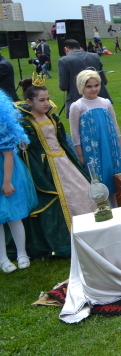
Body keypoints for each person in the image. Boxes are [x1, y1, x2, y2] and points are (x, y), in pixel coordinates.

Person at [16, 76, 97, 258]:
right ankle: (66, 240)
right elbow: (29, 150)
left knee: (83, 190)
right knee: (60, 198)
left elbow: (62, 141)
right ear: (29, 102)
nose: (46, 103)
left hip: (63, 160)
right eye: (41, 100)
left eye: (47, 99)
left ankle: (92, 231)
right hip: (45, 166)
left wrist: (75, 159)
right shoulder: (26, 123)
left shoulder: (52, 117)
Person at [69, 70, 121, 207]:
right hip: (92, 149)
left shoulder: (105, 103)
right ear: (81, 86)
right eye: (89, 86)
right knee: (97, 178)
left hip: (109, 146)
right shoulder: (78, 106)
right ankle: (101, 208)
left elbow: (115, 126)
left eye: (97, 85)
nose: (94, 89)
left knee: (113, 176)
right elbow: (74, 133)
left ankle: (116, 206)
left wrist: (120, 146)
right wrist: (80, 154)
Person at [0, 90, 37, 273]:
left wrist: (7, 182)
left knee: (14, 214)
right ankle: (3, 258)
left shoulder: (2, 124)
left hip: (7, 172)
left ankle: (22, 253)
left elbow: (8, 155)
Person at [58, 39, 111, 118]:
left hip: (78, 101)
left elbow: (63, 86)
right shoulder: (94, 56)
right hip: (100, 98)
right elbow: (104, 81)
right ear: (80, 48)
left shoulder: (64, 61)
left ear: (66, 49)